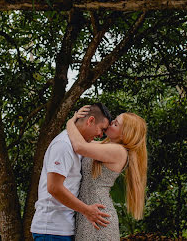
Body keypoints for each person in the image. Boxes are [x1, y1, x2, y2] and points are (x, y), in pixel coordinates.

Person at [31, 103, 113, 240]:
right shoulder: (63, 145)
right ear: (90, 120)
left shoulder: (78, 144)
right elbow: (54, 187)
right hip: (51, 230)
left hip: (64, 229)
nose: (100, 135)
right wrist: (87, 210)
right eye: (101, 129)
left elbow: (108, 148)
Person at [66, 105, 148, 241]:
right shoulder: (106, 146)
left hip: (98, 216)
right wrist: (80, 120)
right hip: (90, 213)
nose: (111, 123)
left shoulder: (119, 152)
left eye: (116, 124)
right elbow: (83, 139)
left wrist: (70, 122)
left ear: (124, 133)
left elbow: (79, 146)